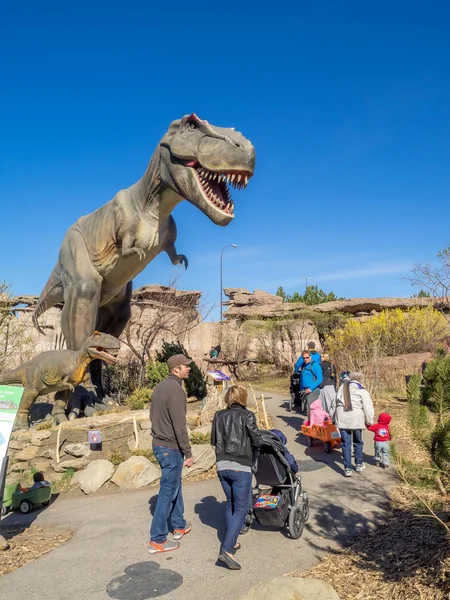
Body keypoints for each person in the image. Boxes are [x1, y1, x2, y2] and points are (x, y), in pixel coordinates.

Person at [211, 385, 263, 570]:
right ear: (243, 398)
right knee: (242, 507)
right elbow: (257, 440)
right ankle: (226, 549)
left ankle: (231, 542)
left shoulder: (218, 416)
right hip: (241, 465)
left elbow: (213, 441)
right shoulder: (248, 416)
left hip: (222, 465)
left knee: (230, 502)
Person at [149, 354, 194, 554]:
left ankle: (178, 524)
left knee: (175, 485)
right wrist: (188, 451)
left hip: (160, 443)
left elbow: (152, 415)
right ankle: (157, 539)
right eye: (186, 366)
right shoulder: (176, 391)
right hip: (171, 447)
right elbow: (180, 426)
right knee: (168, 491)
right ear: (176, 369)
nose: (189, 369)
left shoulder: (160, 387)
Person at [333, 372, 374, 477]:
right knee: (358, 442)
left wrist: (332, 418)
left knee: (345, 443)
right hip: (356, 419)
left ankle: (347, 468)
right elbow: (368, 408)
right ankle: (359, 464)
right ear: (361, 380)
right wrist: (369, 421)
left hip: (342, 419)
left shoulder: (342, 388)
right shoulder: (362, 391)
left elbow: (334, 404)